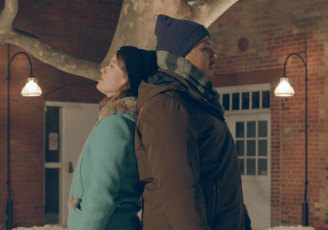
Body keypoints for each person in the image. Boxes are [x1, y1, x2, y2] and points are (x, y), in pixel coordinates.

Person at [135, 15, 251, 230]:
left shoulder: (196, 102)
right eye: (206, 48)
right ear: (182, 55)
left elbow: (220, 179)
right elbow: (179, 192)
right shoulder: (167, 106)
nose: (215, 55)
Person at [67, 46, 158, 230]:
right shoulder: (127, 122)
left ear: (127, 79)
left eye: (112, 66)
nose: (103, 69)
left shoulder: (114, 125)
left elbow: (101, 194)